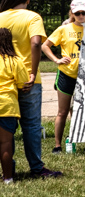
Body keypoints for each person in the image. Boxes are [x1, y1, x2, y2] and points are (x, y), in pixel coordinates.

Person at [0, 0, 61, 178]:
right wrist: (33, 72)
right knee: (32, 125)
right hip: (28, 80)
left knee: (5, 129)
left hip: (5, 81)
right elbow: (36, 44)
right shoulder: (33, 17)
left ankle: (9, 167)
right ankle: (36, 168)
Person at [41, 0, 85, 153]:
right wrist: (57, 59)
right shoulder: (64, 29)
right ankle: (57, 145)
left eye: (84, 13)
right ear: (72, 13)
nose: (81, 16)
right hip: (66, 75)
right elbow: (45, 46)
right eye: (78, 13)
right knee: (62, 111)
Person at [0, 28, 33, 184]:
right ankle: (8, 178)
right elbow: (23, 84)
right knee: (5, 144)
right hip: (7, 106)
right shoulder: (15, 61)